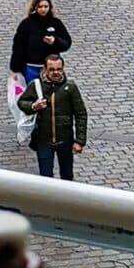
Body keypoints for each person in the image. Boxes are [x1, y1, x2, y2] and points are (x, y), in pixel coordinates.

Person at [18, 52, 86, 180]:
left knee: (67, 176)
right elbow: (21, 102)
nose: (56, 72)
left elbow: (81, 114)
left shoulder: (70, 88)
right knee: (46, 178)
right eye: (52, 69)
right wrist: (34, 106)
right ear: (45, 70)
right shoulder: (36, 85)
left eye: (59, 69)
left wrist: (79, 141)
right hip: (43, 141)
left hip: (65, 141)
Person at [9, 0, 72, 83]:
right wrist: (16, 69)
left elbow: (67, 43)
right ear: (35, 7)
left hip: (51, 69)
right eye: (40, 7)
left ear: (50, 7)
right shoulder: (26, 24)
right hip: (31, 68)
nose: (43, 9)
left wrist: (55, 41)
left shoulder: (56, 23)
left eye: (45, 6)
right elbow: (18, 47)